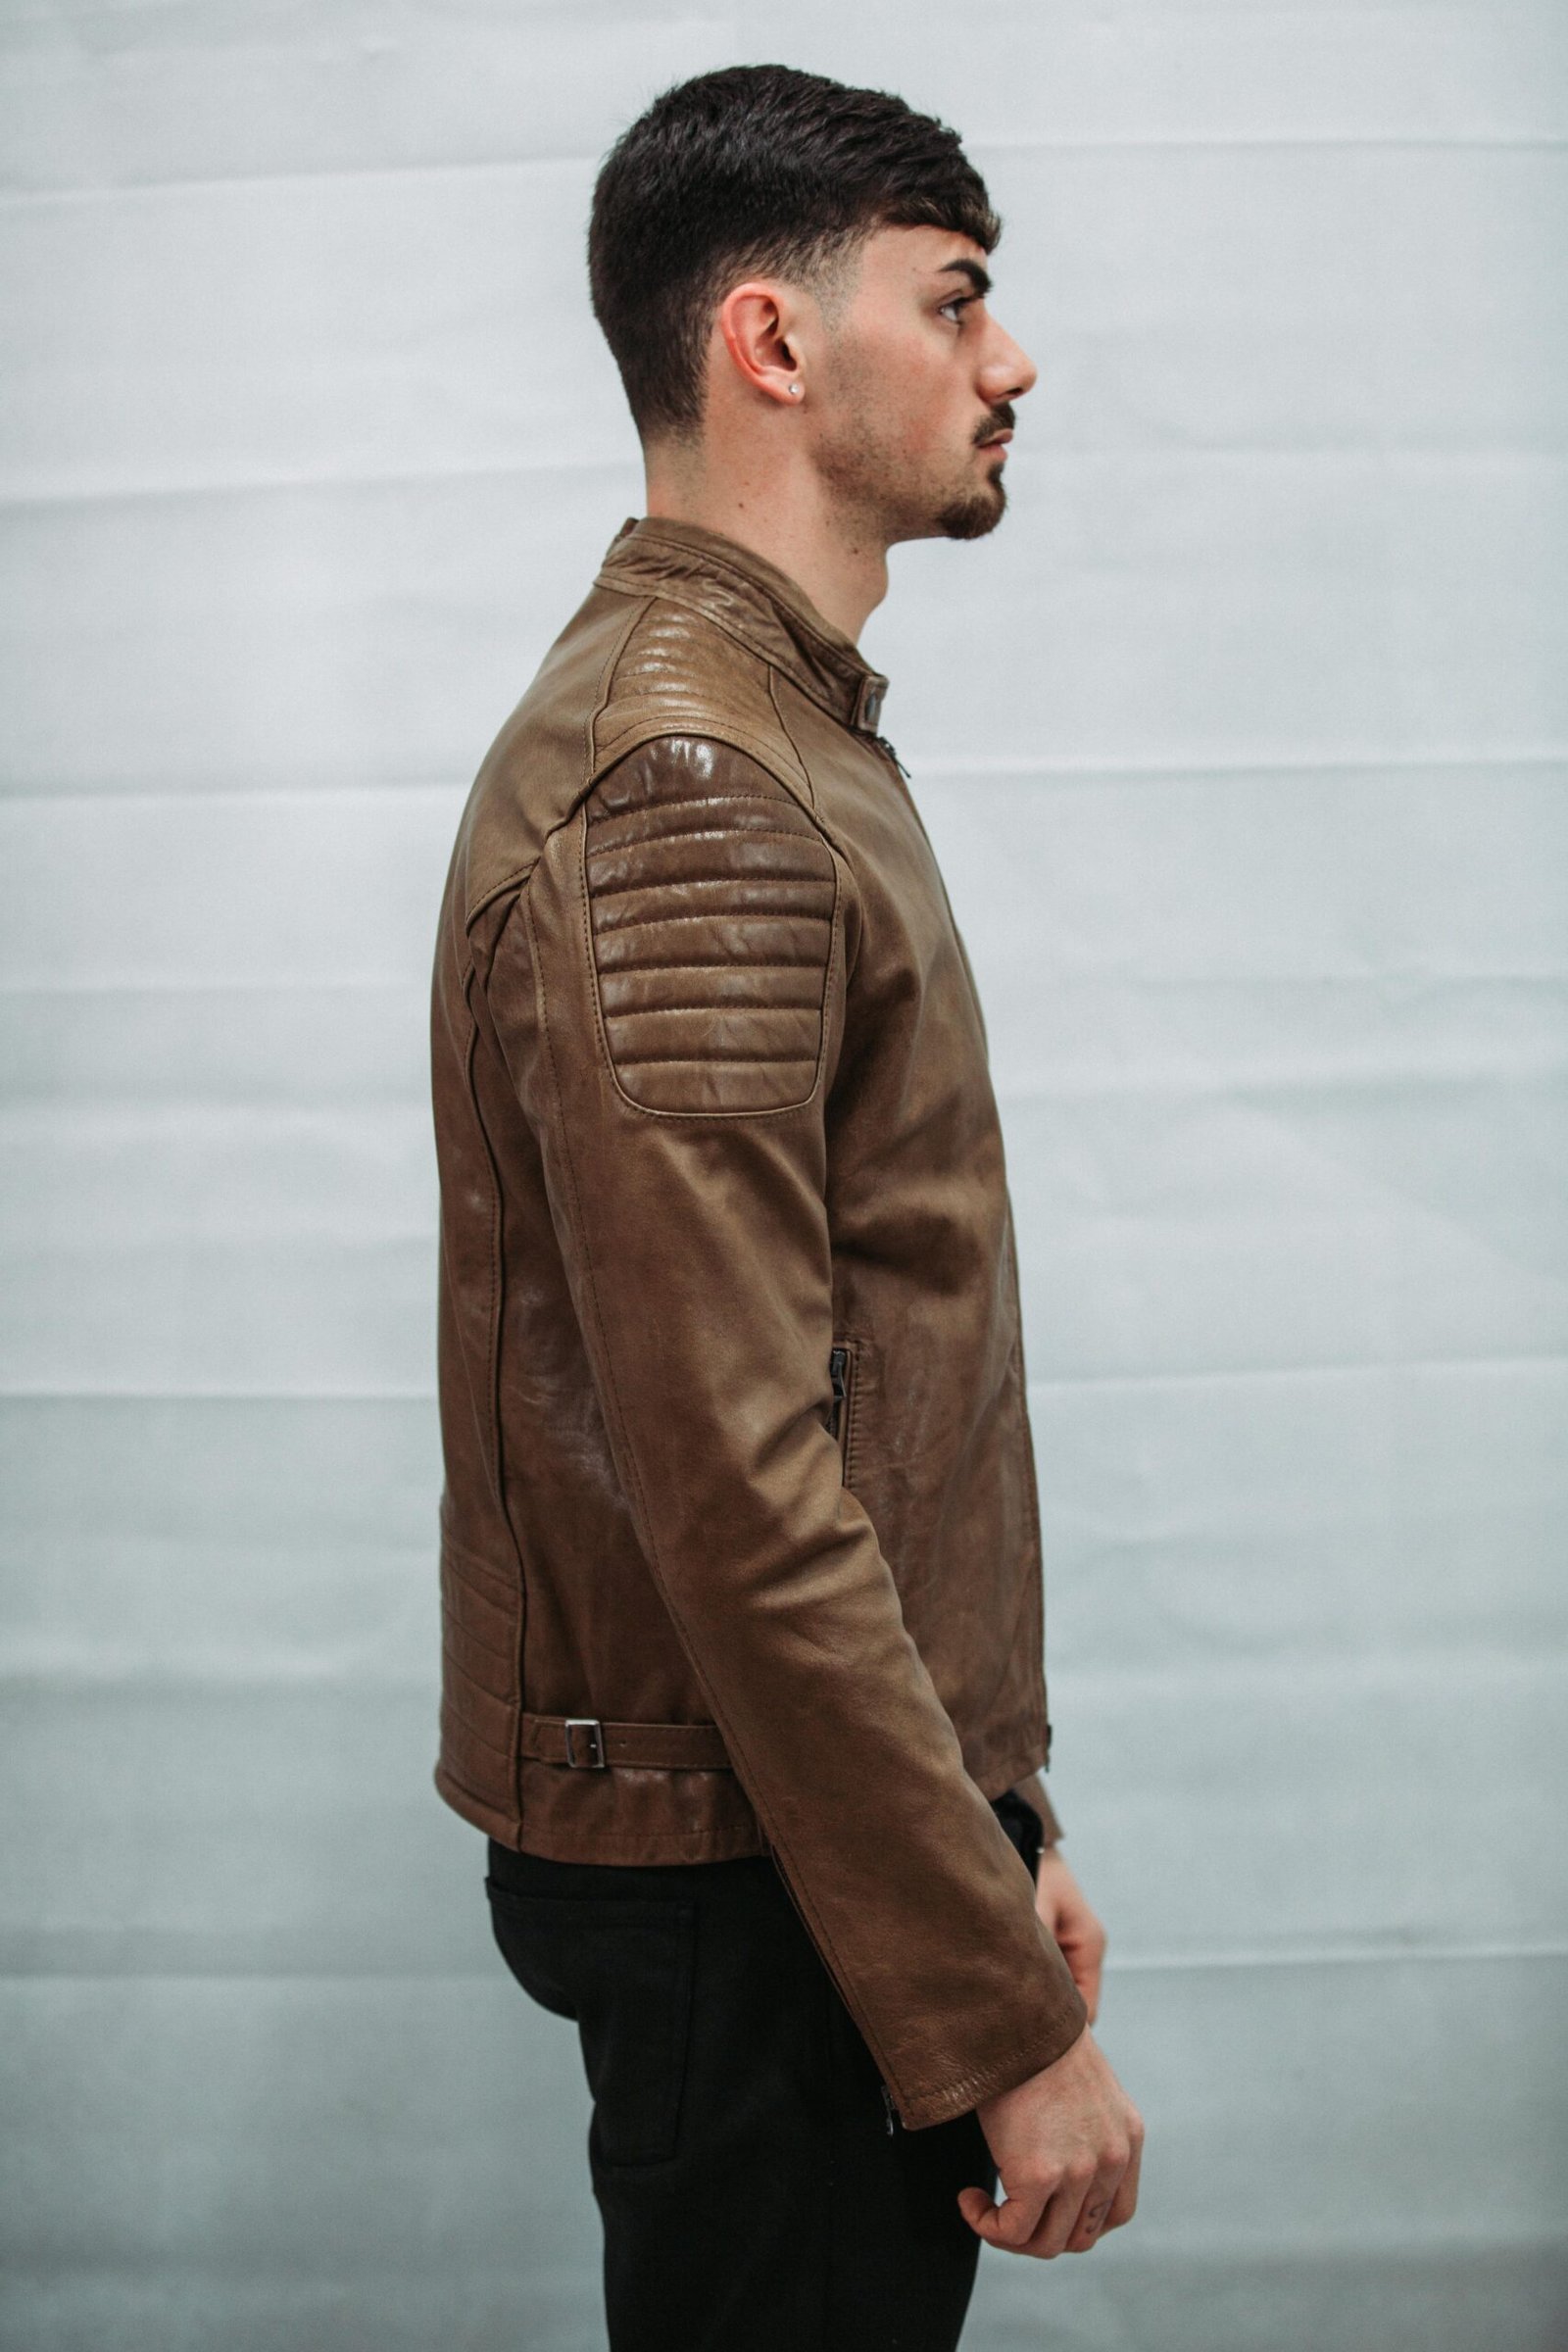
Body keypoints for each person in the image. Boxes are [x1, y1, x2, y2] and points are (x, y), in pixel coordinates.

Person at [428, 62, 1143, 2352]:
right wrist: (978, 2000)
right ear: (768, 340)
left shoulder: (769, 730)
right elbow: (737, 1474)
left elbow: (849, 1364)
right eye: (953, 300)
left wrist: (993, 1827)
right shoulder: (696, 782)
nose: (1007, 361)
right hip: (759, 1885)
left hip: (817, 1848)